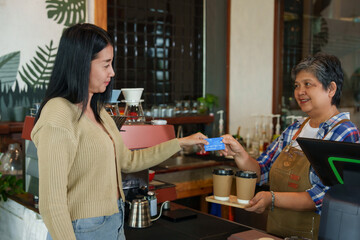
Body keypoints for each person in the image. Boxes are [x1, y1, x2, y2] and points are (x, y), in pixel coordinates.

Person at [31, 23, 208, 240]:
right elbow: (51, 202)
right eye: (106, 64)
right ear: (81, 64)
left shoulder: (97, 110)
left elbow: (128, 161)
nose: (112, 72)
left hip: (114, 220)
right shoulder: (58, 113)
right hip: (81, 229)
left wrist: (180, 143)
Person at [220, 53, 360, 239]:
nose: (299, 91)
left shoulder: (344, 132)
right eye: (297, 85)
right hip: (277, 233)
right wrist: (240, 154)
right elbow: (261, 171)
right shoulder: (295, 129)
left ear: (331, 89)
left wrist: (273, 198)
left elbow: (323, 195)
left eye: (307, 84)